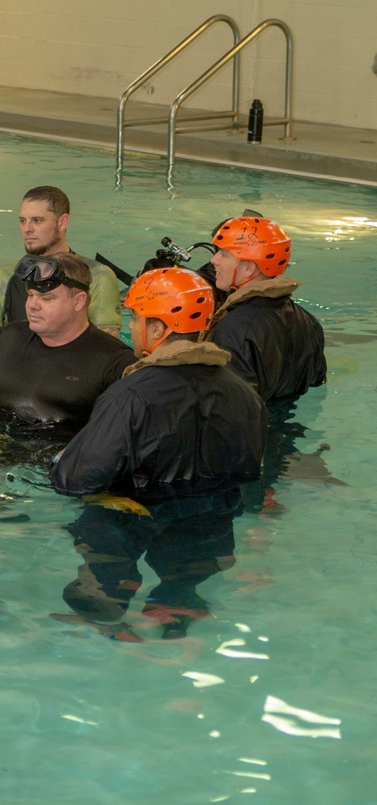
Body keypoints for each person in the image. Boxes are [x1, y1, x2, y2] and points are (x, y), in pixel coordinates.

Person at [50, 267, 266, 638]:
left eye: (136, 319)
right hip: (212, 520)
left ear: (158, 329)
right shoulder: (245, 394)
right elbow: (249, 470)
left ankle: (103, 618)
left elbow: (76, 479)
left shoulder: (131, 395)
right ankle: (177, 621)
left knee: (103, 579)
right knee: (184, 585)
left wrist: (64, 458)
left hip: (133, 518)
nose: (131, 328)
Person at [0, 253, 133, 435]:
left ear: (79, 301)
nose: (32, 305)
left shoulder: (116, 362)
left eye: (47, 298)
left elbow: (118, 434)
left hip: (56, 458)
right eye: (30, 295)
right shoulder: (6, 337)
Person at [0, 185, 120, 342]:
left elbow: (107, 346)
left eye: (37, 221)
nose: (27, 229)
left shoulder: (98, 276)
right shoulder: (1, 279)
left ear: (62, 222)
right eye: (22, 221)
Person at [206, 215, 326, 404]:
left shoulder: (235, 328)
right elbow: (317, 382)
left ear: (248, 268)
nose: (214, 260)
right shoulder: (308, 320)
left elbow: (232, 407)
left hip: (256, 431)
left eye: (224, 253)